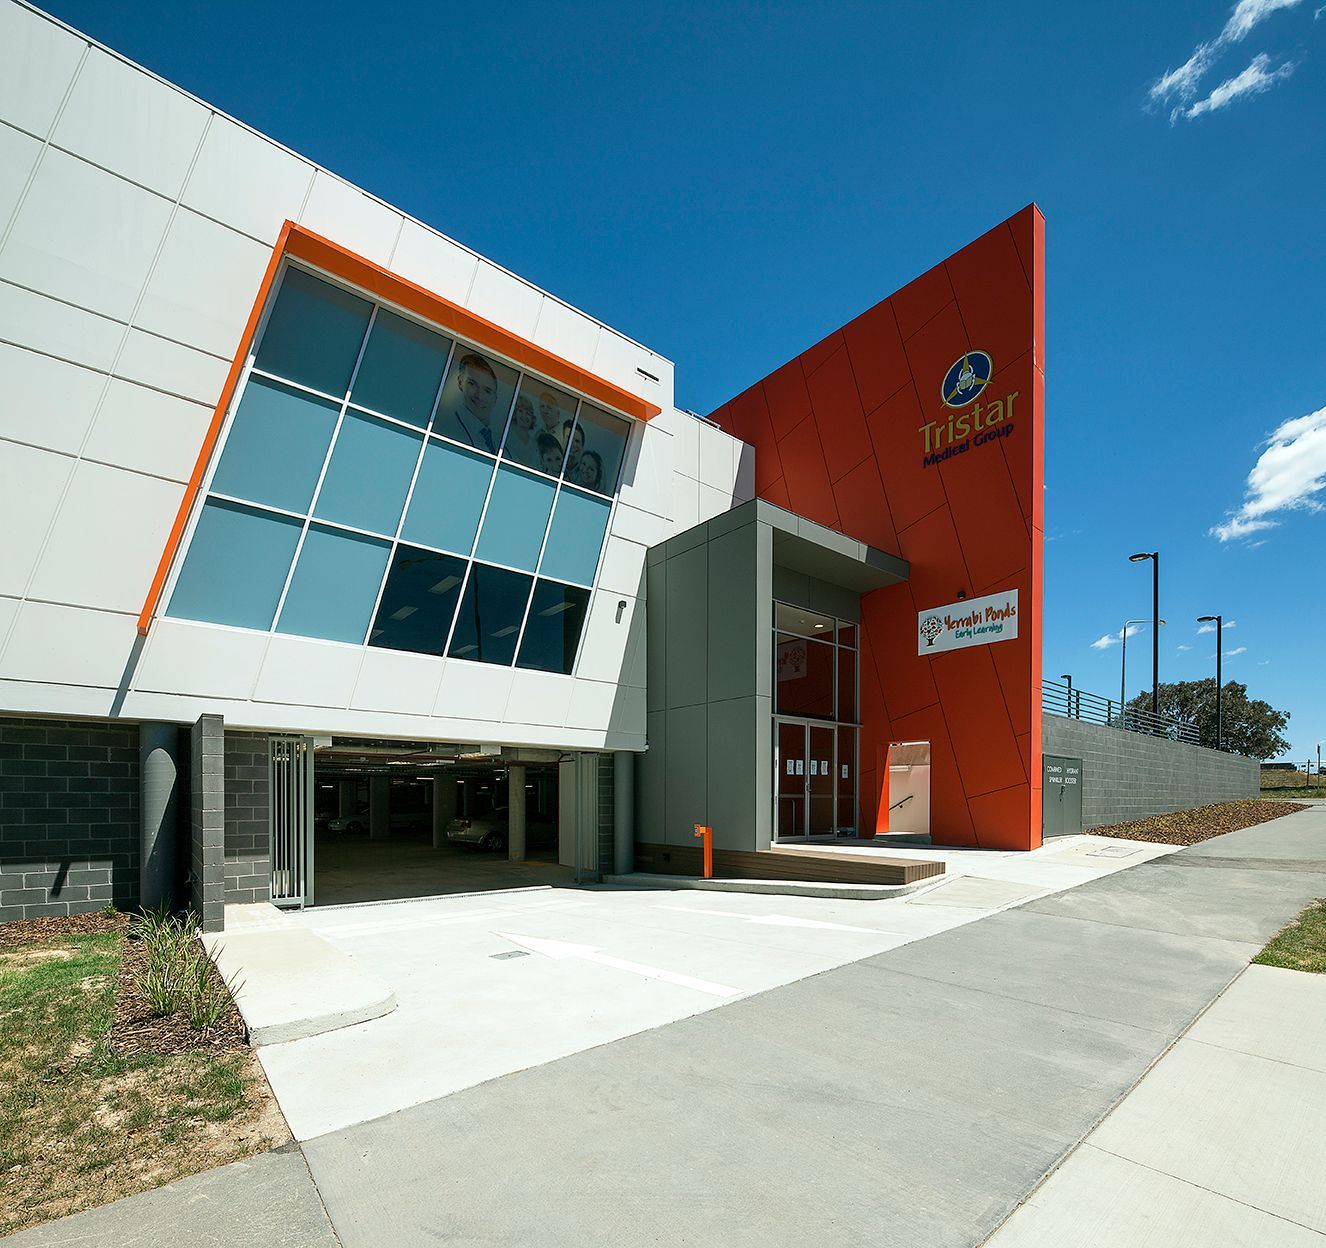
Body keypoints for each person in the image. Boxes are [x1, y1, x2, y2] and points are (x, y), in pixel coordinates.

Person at [435, 353, 502, 452]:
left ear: (495, 399)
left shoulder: (500, 444)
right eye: (472, 384)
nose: (479, 396)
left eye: (487, 391)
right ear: (460, 382)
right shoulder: (448, 429)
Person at [503, 395, 540, 469]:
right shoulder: (507, 439)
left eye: (528, 413)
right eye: (520, 411)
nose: (524, 416)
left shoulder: (535, 445)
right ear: (515, 414)